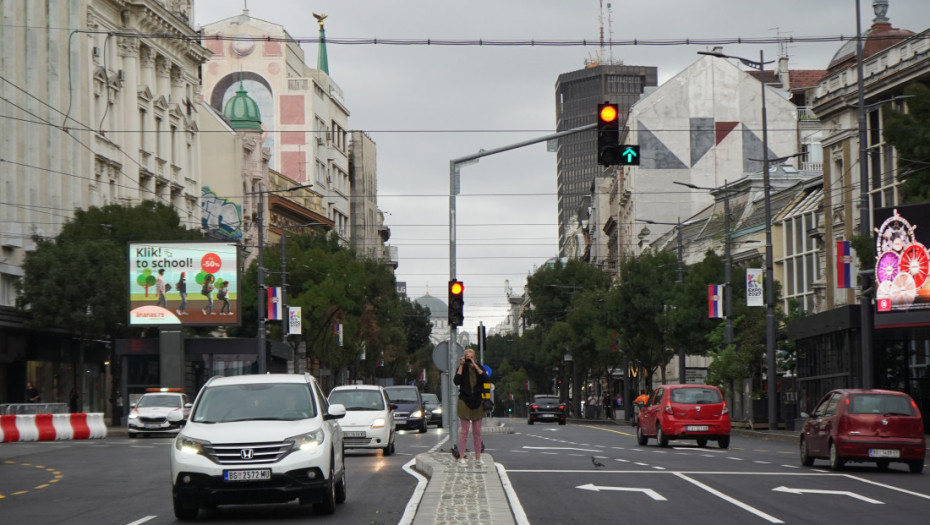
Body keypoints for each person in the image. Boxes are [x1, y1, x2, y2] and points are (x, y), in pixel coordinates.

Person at [453, 348, 489, 464]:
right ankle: (461, 456)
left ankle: (478, 457)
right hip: (464, 401)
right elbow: (456, 381)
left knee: (477, 431)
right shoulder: (462, 368)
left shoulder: (479, 368)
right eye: (467, 357)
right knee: (464, 431)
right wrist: (461, 365)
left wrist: (475, 365)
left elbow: (486, 379)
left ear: (475, 358)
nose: (469, 359)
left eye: (471, 357)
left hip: (477, 401)